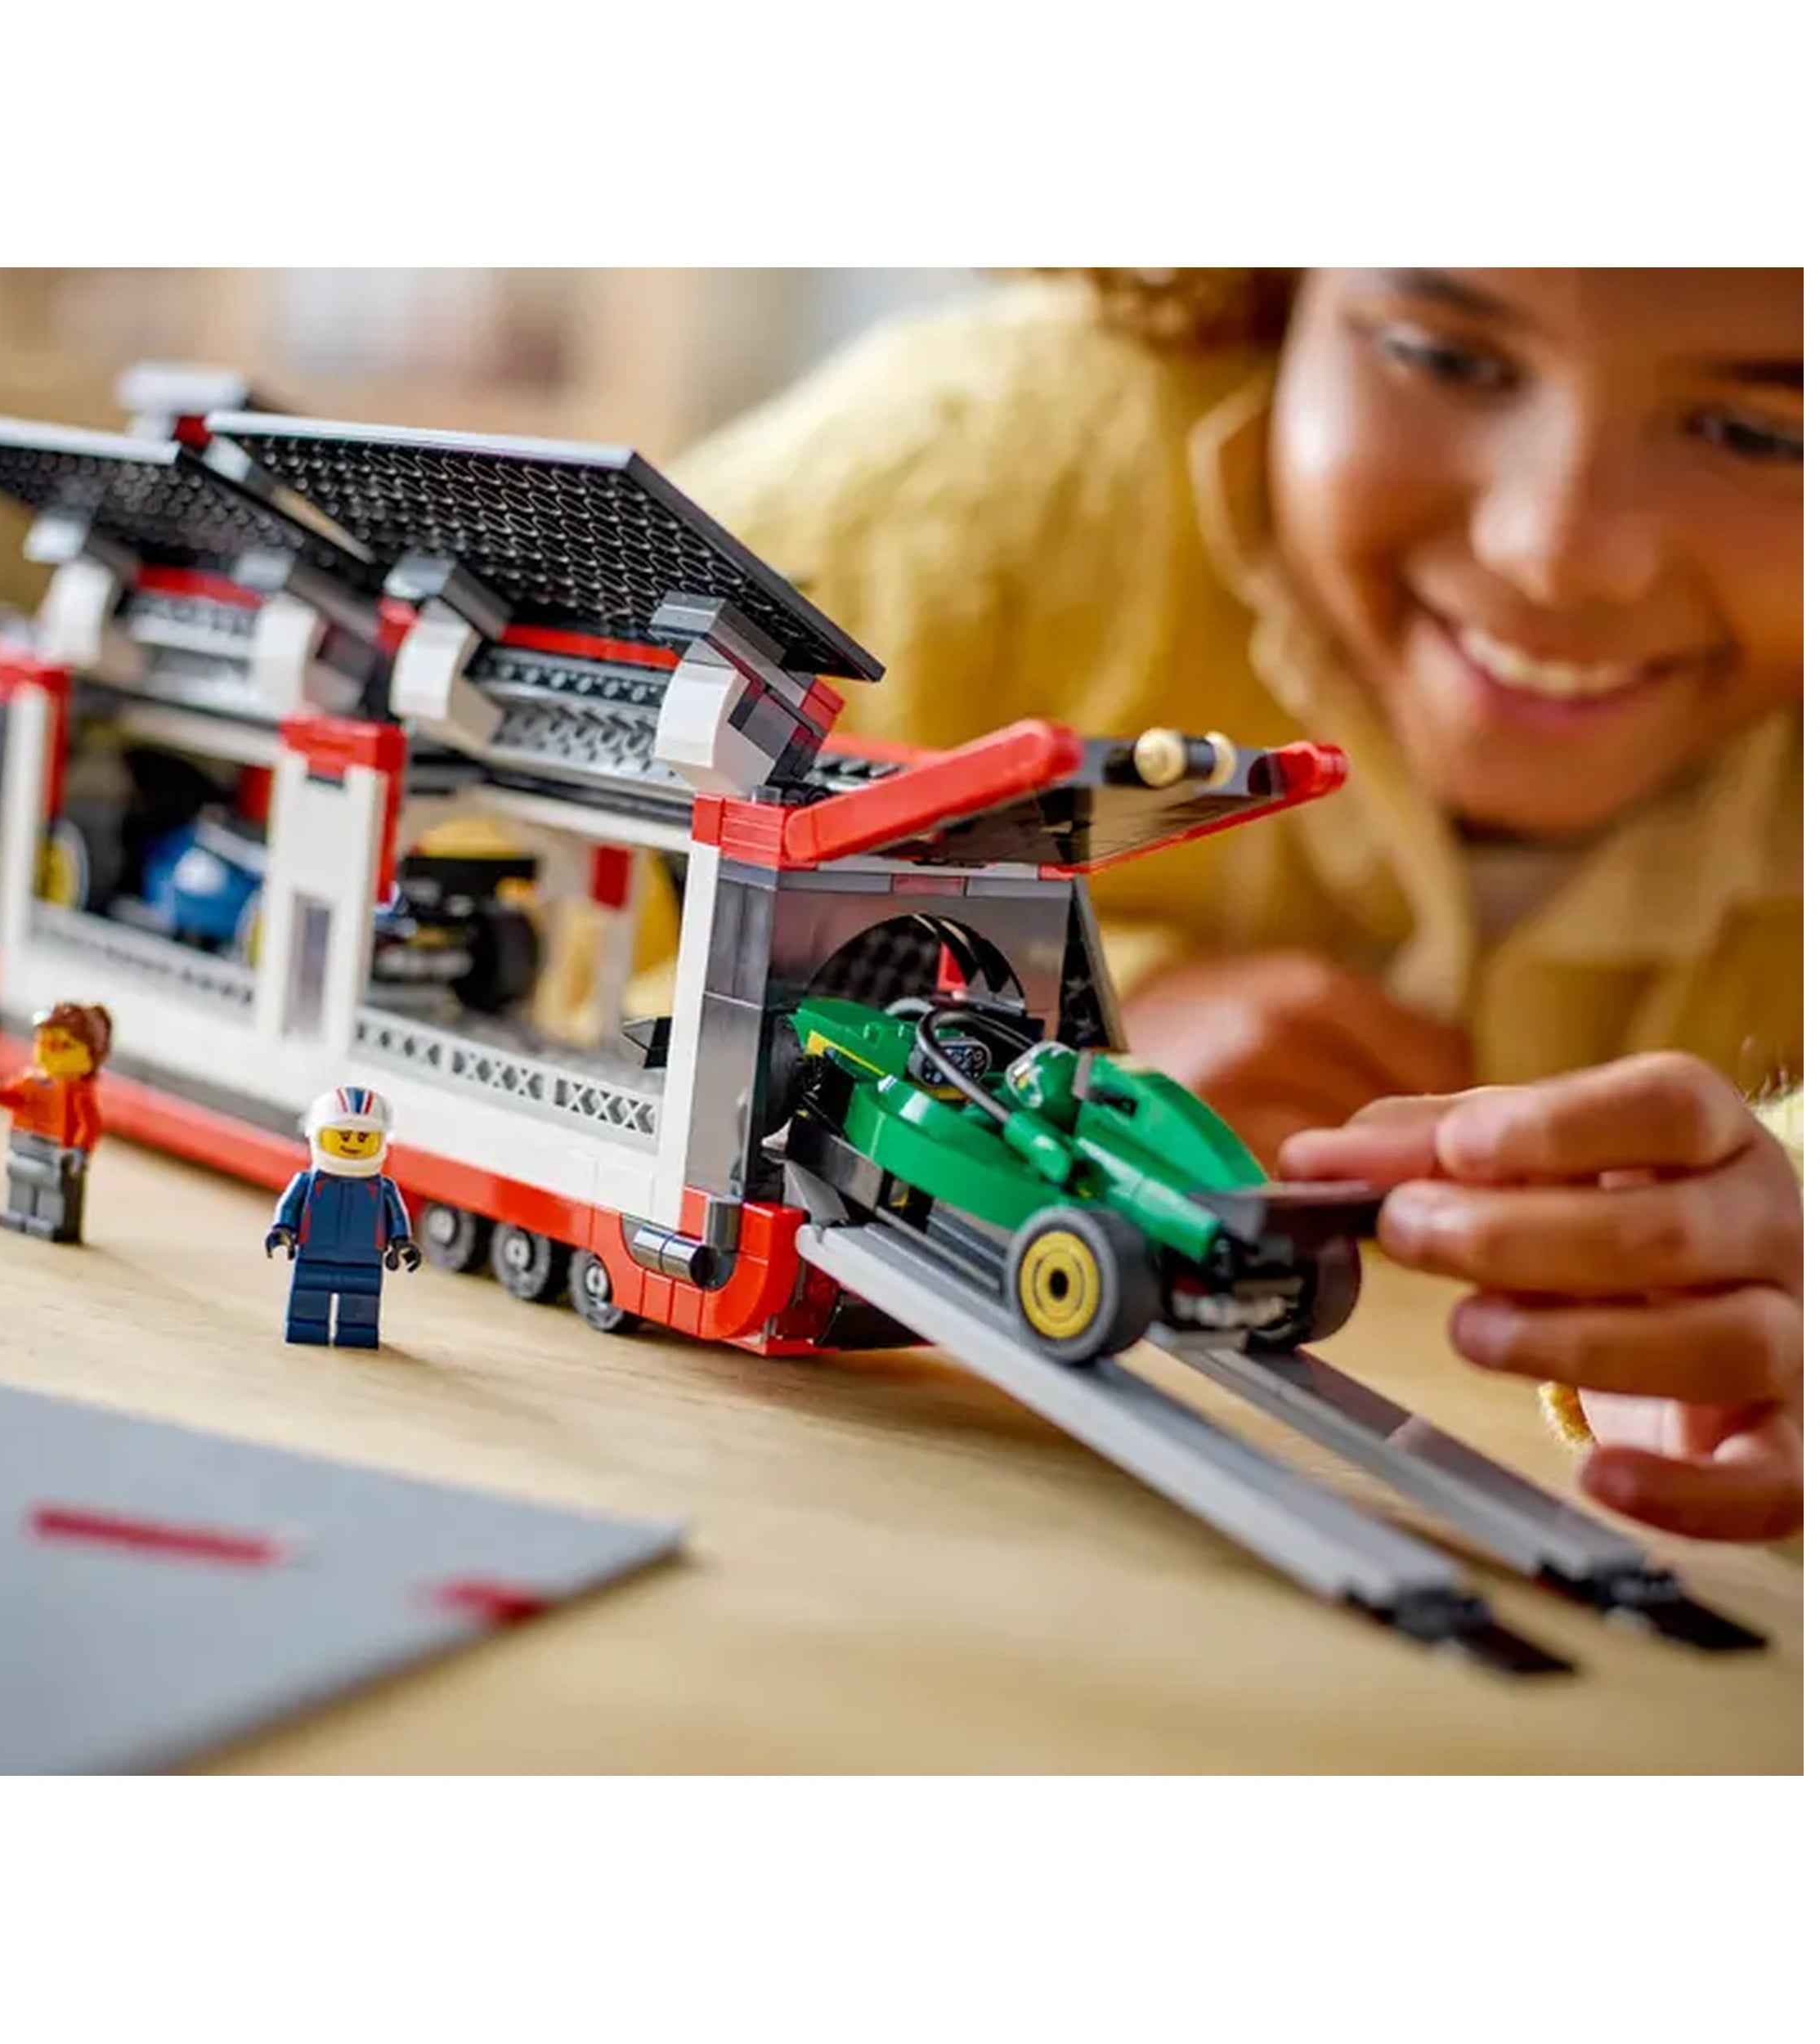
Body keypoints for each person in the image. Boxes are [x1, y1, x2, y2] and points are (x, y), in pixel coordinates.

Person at [670, 269, 1802, 1540]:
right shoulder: (954, 470)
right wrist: (1112, 1002)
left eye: (1765, 432)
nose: (1554, 554)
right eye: (1445, 354)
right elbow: (542, 846)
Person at [266, 1086, 422, 1349]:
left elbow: (397, 1217)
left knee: (360, 1309)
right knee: (308, 1305)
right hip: (314, 1254)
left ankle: (356, 1333)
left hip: (364, 1260)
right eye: (342, 1136)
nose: (351, 1145)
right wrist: (282, 1229)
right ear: (317, 1136)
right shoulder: (307, 1182)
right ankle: (306, 1328)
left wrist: (401, 1242)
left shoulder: (383, 1188)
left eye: (364, 1139)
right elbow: (289, 1207)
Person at [0, 1001, 113, 1244]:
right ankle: (19, 1213)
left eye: (59, 1046)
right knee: (21, 1177)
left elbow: (91, 1124)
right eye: (43, 1042)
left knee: (53, 1188)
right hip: (24, 1142)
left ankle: (53, 1222)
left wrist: (80, 1150)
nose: (47, 1051)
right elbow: (11, 1096)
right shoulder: (31, 1080)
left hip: (58, 1149)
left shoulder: (78, 1091)